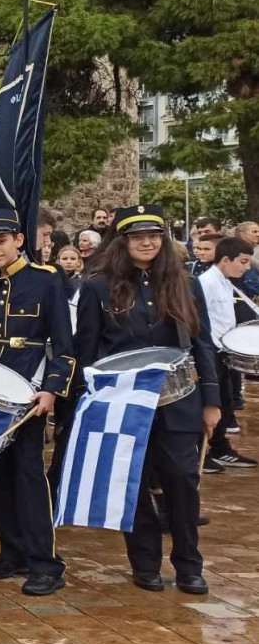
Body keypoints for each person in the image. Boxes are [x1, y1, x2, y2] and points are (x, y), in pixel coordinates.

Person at [75, 204, 219, 595]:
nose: (147, 242)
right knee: (132, 483)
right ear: (123, 242)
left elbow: (202, 344)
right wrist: (85, 406)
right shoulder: (96, 287)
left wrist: (212, 401)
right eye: (137, 236)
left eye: (154, 235)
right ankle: (145, 563)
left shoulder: (186, 284)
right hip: (121, 403)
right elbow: (87, 352)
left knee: (183, 483)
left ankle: (190, 565)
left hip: (178, 400)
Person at [0, 210, 74, 595]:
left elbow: (63, 345)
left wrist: (51, 389)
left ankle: (46, 562)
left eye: (1, 241)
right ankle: (12, 552)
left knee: (28, 477)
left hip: (28, 394)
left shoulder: (45, 281)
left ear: (19, 240)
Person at [198, 237, 258, 472]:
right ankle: (202, 453)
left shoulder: (226, 281)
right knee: (211, 402)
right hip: (210, 351)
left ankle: (220, 448)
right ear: (225, 259)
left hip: (222, 352)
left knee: (224, 401)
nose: (246, 267)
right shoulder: (206, 283)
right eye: (243, 261)